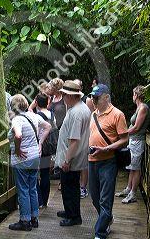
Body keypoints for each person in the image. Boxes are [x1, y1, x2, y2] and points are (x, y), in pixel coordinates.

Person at [88, 84, 128, 239]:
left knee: (105, 199)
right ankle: (107, 219)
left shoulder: (118, 114)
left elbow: (124, 140)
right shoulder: (93, 114)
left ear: (106, 97)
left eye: (96, 97)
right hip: (92, 161)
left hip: (108, 161)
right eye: (92, 96)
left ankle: (100, 233)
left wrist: (106, 149)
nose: (93, 99)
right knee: (95, 198)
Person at [8, 94, 51, 231]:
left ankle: (24, 221)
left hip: (22, 159)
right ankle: (34, 218)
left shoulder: (17, 120)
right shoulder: (34, 116)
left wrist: (18, 149)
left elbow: (18, 135)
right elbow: (48, 126)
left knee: (23, 190)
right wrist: (40, 143)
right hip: (34, 157)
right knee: (32, 188)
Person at [54, 80, 91, 227]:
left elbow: (74, 140)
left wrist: (67, 160)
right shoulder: (79, 107)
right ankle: (70, 211)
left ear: (71, 96)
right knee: (71, 186)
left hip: (71, 158)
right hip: (74, 155)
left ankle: (74, 216)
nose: (62, 97)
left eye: (64, 94)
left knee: (69, 187)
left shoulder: (76, 113)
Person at [116, 85, 150, 204]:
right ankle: (128, 189)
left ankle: (133, 194)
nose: (132, 96)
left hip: (137, 141)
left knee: (135, 168)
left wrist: (122, 133)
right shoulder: (139, 107)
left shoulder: (143, 108)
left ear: (136, 95)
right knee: (131, 166)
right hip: (133, 140)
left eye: (133, 94)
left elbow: (136, 127)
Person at [35, 93, 57, 208]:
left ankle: (39, 200)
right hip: (50, 148)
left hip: (40, 146)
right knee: (45, 174)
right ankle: (45, 200)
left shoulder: (37, 116)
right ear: (47, 102)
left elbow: (37, 132)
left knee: (35, 174)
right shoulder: (52, 115)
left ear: (36, 103)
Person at [74, 79, 89, 199]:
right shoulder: (71, 100)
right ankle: (76, 186)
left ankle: (83, 187)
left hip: (84, 136)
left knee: (83, 163)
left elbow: (92, 116)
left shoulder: (86, 100)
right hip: (74, 136)